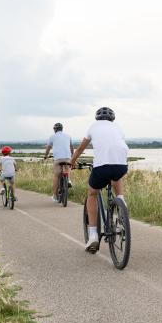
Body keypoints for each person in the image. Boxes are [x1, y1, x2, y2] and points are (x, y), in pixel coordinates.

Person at [70, 107, 128, 252]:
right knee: (116, 176)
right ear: (112, 118)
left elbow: (80, 149)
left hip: (101, 167)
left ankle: (93, 235)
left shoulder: (93, 127)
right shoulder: (118, 127)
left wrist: (72, 162)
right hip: (121, 165)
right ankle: (121, 202)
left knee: (92, 193)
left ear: (97, 118)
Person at [43, 122, 74, 203]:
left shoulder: (52, 137)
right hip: (67, 157)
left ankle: (55, 195)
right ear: (62, 129)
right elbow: (71, 147)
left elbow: (48, 148)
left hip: (58, 159)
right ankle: (68, 180)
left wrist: (45, 156)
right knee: (67, 169)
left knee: (56, 175)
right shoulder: (68, 136)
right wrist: (72, 156)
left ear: (54, 130)